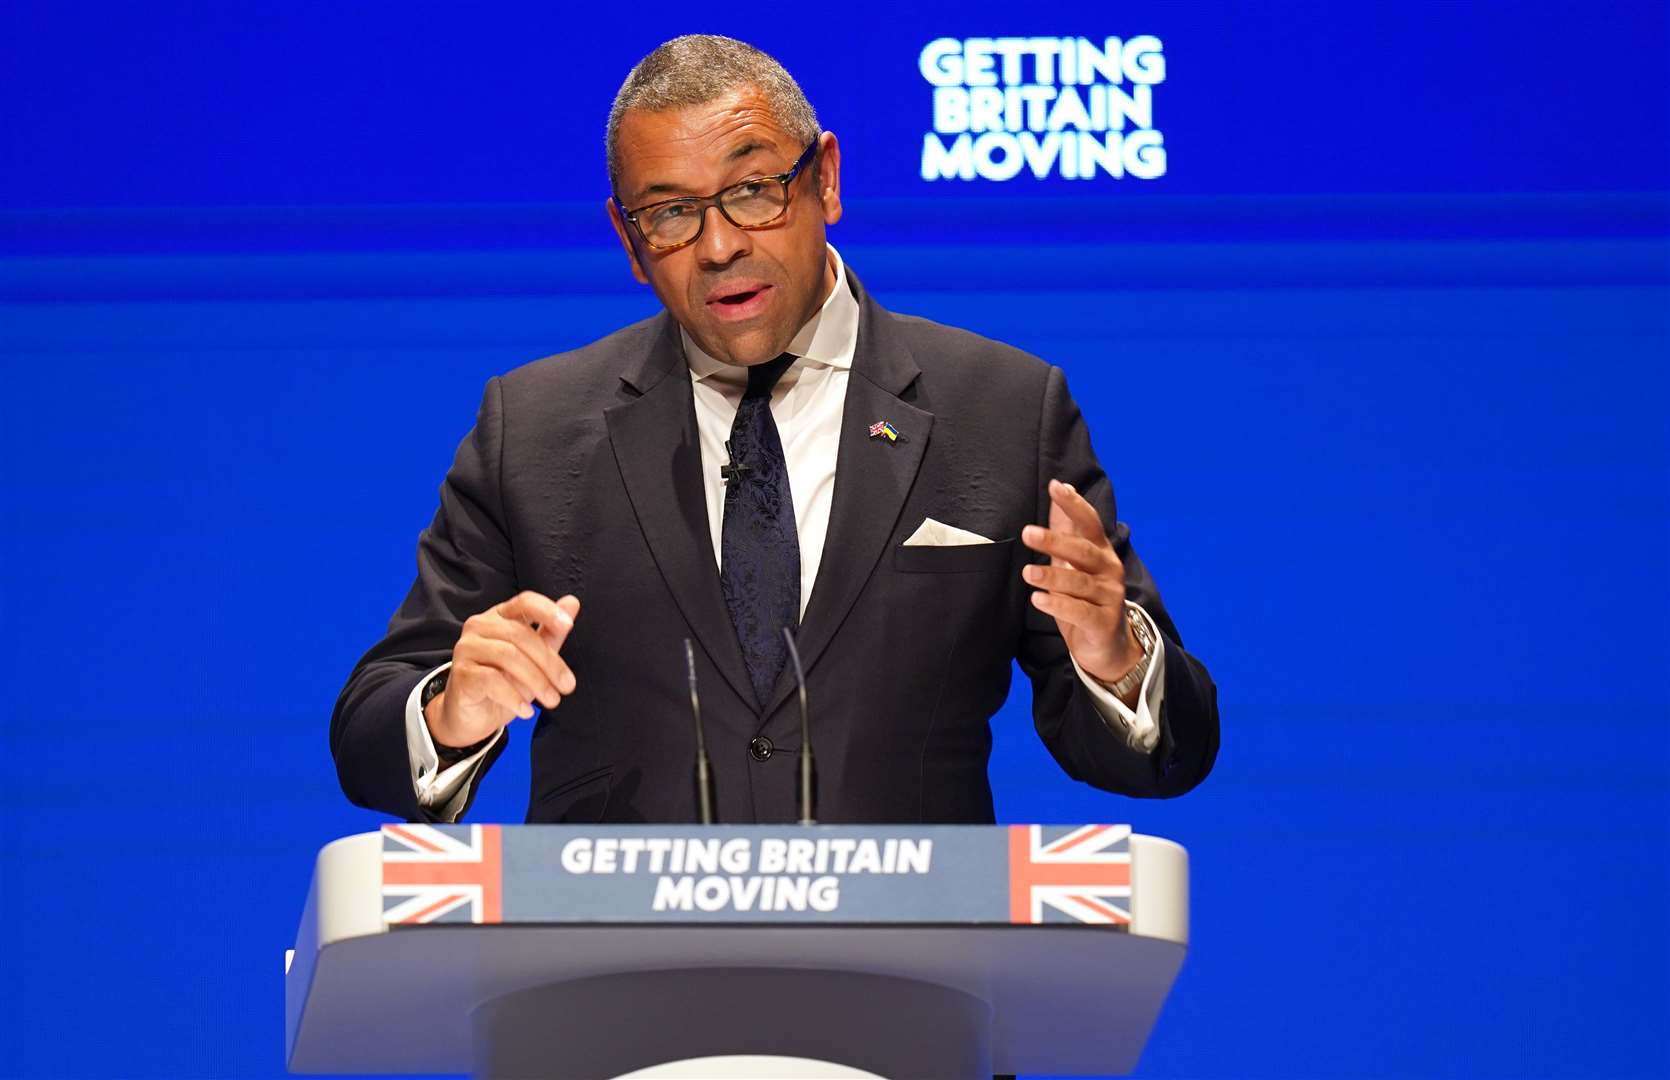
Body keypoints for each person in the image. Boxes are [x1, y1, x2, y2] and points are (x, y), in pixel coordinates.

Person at [330, 35, 1218, 825]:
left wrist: (1114, 658)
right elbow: (371, 732)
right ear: (628, 240)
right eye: (670, 213)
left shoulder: (1002, 408)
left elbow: (1166, 755)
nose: (717, 245)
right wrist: (452, 711)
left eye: (753, 190)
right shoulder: (533, 427)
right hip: (614, 988)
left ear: (825, 178)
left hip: (904, 984)